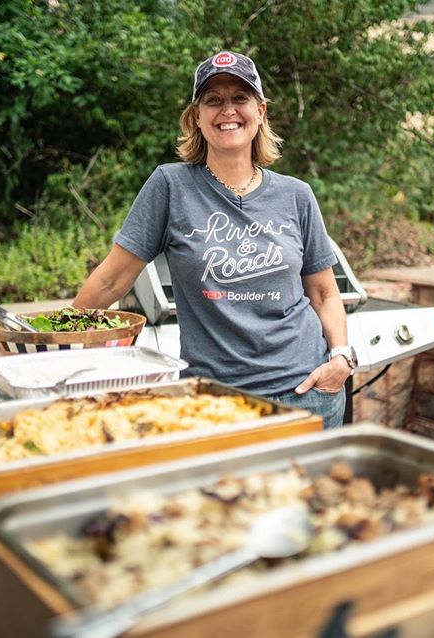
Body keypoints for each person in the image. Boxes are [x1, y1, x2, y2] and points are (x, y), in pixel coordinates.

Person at [73, 50, 357, 428]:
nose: (228, 110)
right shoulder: (171, 185)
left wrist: (341, 359)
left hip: (306, 393)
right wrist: (55, 346)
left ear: (261, 111)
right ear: (196, 117)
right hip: (213, 400)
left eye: (240, 98)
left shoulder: (296, 195)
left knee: (305, 490)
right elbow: (111, 280)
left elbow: (324, 293)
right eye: (213, 100)